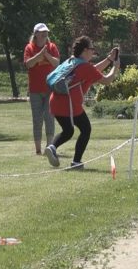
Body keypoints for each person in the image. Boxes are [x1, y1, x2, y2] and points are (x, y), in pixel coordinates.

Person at [45, 36, 119, 169]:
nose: (93, 51)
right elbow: (107, 80)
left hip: (55, 102)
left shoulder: (72, 61)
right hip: (69, 104)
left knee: (68, 130)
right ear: (85, 50)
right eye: (92, 49)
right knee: (85, 129)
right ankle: (76, 162)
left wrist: (109, 59)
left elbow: (93, 70)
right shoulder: (85, 67)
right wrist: (115, 67)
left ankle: (52, 147)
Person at [23, 23, 60, 155]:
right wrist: (39, 55)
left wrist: (47, 55)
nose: (45, 34)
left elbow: (57, 63)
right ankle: (38, 150)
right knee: (37, 119)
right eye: (42, 32)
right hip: (35, 90)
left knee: (49, 118)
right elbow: (28, 64)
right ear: (36, 34)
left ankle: (49, 147)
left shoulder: (52, 47)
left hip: (50, 89)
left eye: (46, 32)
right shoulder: (29, 47)